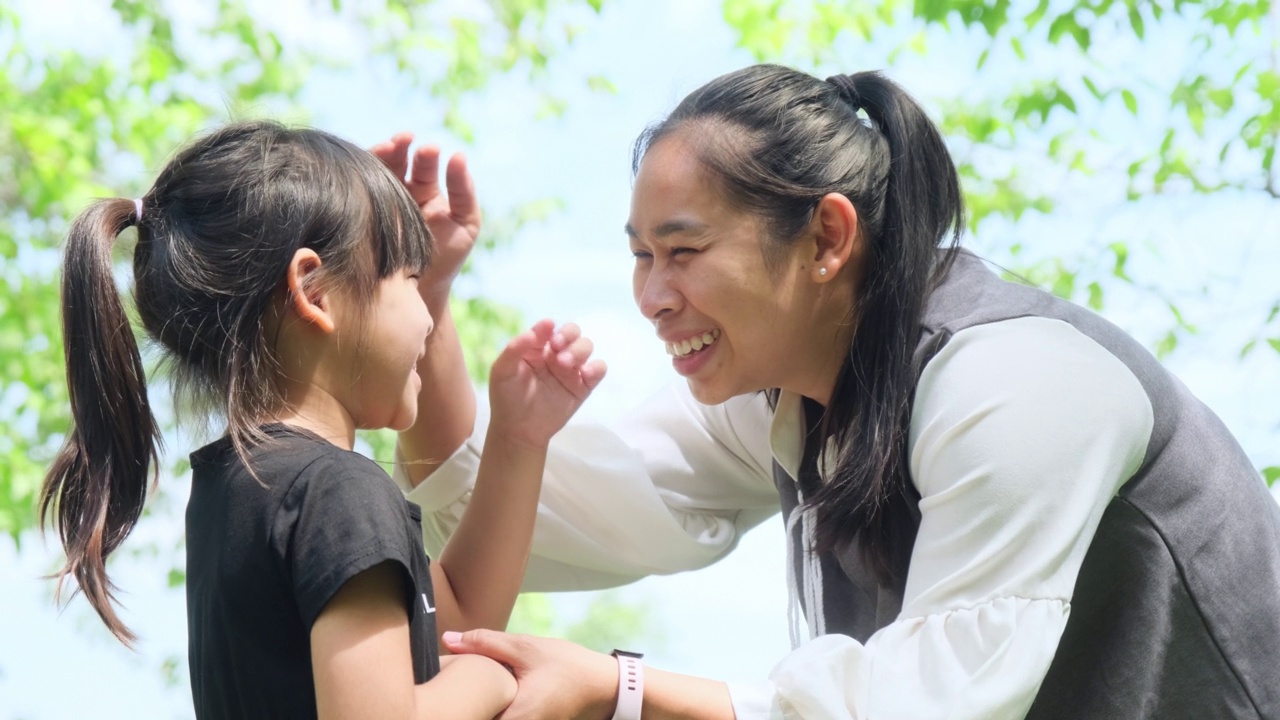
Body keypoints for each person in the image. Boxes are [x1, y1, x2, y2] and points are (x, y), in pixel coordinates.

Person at [395, 64, 1280, 719]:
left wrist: (624, 689)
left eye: (684, 251)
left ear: (826, 236)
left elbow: (933, 699)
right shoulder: (783, 398)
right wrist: (425, 301)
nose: (653, 296)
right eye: (639, 255)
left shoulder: (1014, 381)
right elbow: (516, 522)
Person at [39, 120, 606, 719]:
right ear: (315, 289)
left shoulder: (238, 488)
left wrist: (518, 438)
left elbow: (456, 620)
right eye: (412, 279)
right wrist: (493, 676)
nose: (427, 315)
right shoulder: (338, 490)